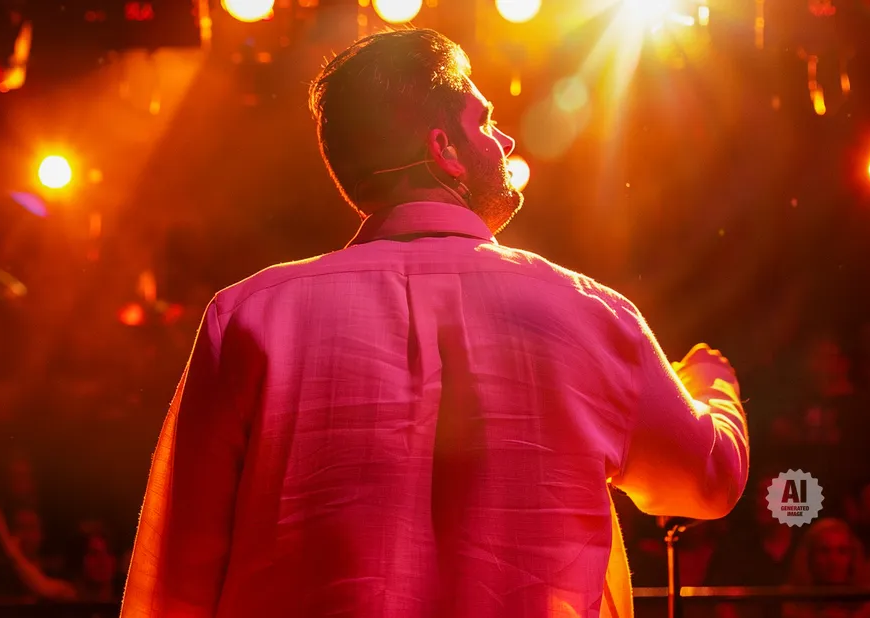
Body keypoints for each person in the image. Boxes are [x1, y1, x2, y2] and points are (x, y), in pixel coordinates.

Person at [120, 28, 749, 618]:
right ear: (443, 149)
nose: (505, 142)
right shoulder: (588, 314)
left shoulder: (249, 317)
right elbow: (708, 481)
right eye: (486, 121)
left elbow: (178, 581)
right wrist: (711, 384)